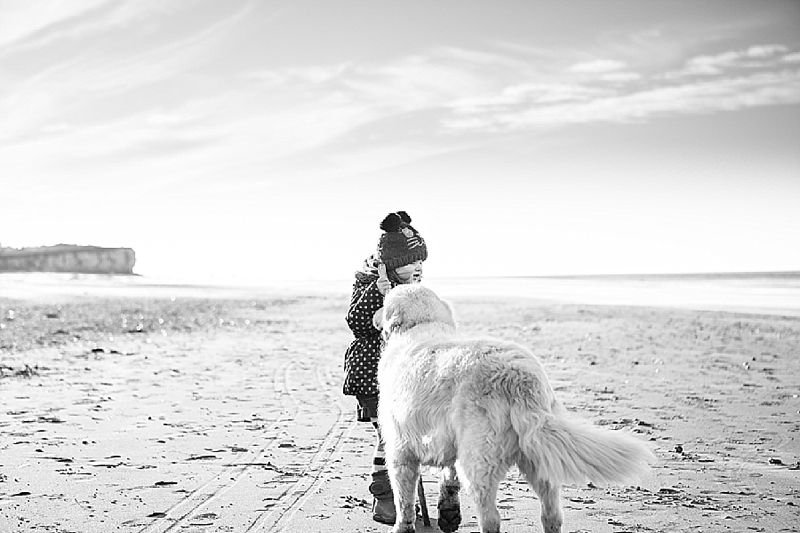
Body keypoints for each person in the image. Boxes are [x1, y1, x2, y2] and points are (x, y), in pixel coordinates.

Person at [343, 210, 427, 524]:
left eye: (421, 261)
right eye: (411, 262)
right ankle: (385, 499)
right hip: (371, 378)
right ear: (392, 265)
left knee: (402, 437)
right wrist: (380, 296)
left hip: (401, 378)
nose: (418, 267)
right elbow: (357, 323)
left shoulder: (411, 291)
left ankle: (399, 498)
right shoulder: (372, 288)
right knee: (391, 437)